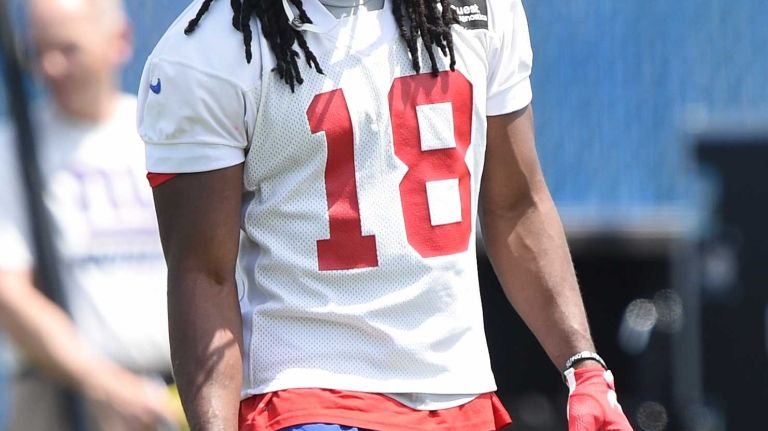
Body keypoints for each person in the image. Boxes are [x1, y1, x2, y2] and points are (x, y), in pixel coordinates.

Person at [138, 0, 634, 430]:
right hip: (305, 394)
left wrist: (583, 364)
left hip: (458, 394)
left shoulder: (475, 13)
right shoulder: (207, 54)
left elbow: (515, 205)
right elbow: (203, 274)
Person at [0, 0, 179, 429]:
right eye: (38, 51)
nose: (50, 66)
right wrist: (105, 384)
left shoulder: (159, 136)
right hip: (61, 399)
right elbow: (10, 293)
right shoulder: (13, 151)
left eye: (68, 49)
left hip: (172, 395)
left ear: (120, 41)